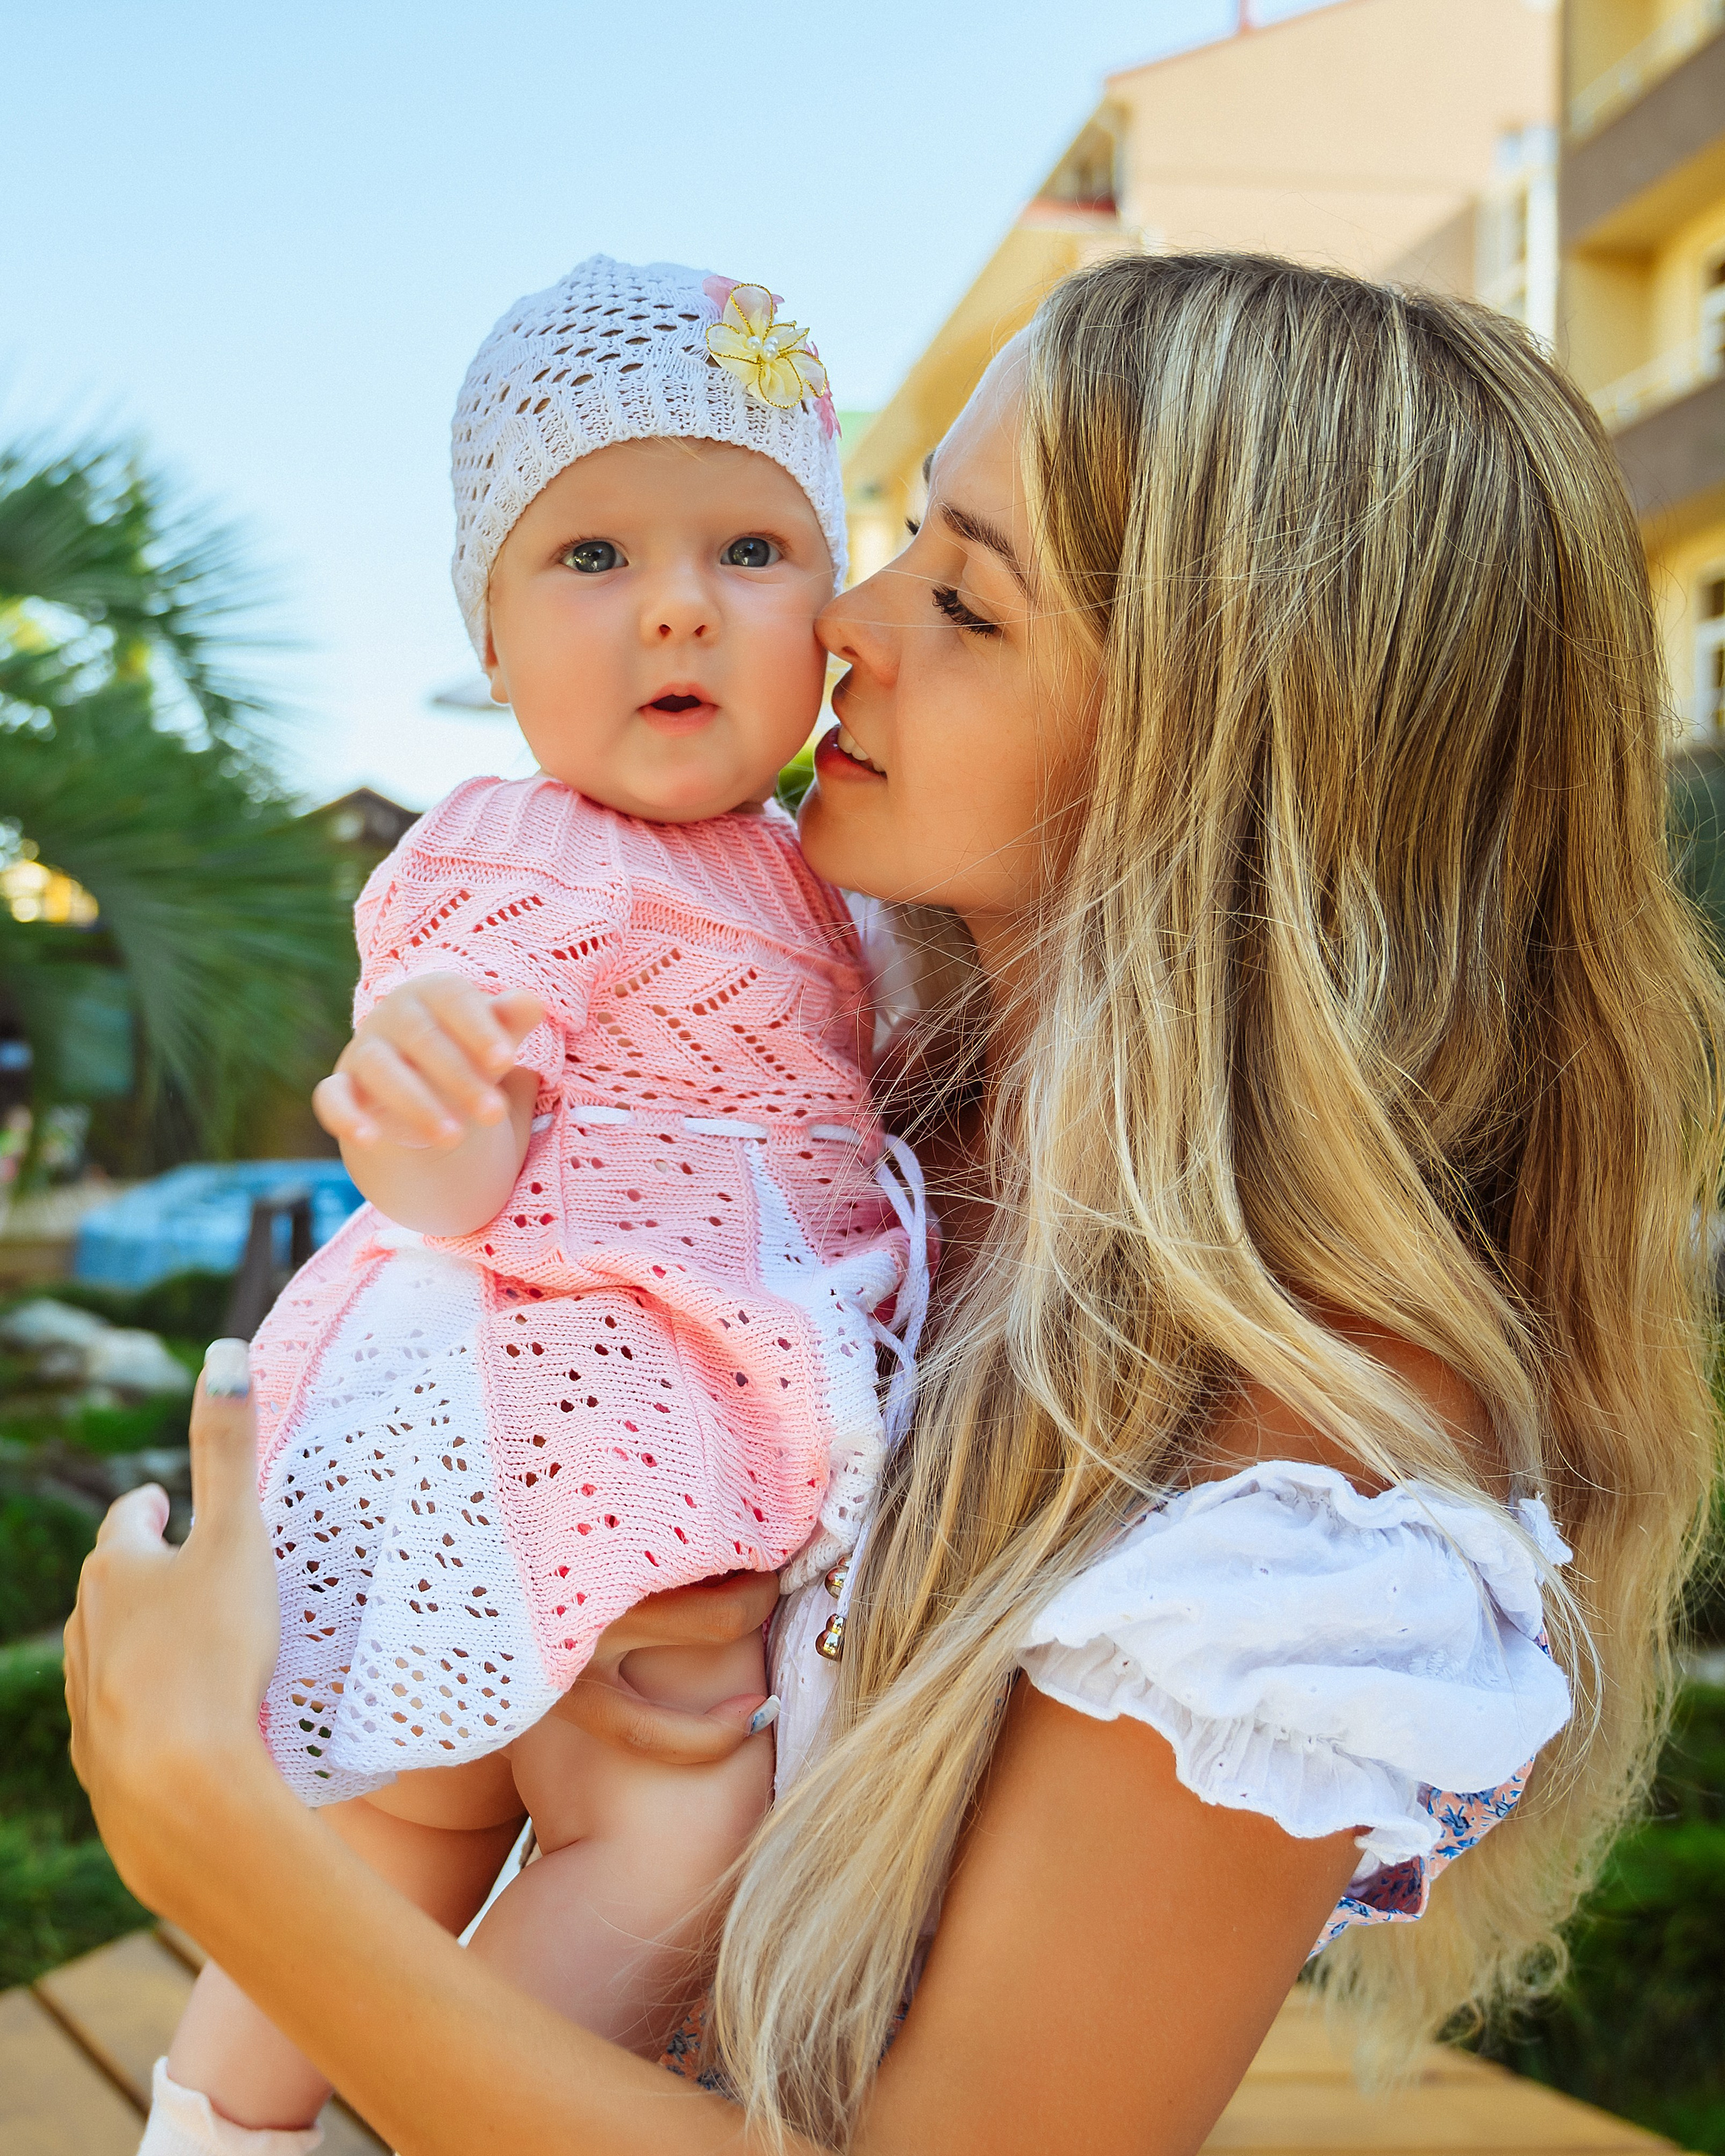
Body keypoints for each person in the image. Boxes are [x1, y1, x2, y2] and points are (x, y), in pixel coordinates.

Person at [67, 251, 1722, 2156]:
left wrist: (214, 1829)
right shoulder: (888, 1113)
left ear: (1209, 760)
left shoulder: (1302, 1523)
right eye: (894, 536)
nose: (845, 617)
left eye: (964, 596)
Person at [132, 254, 932, 2151]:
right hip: (551, 1447)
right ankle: (351, 2112)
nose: (676, 602)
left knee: (400, 1833)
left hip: (677, 1468)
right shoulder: (518, 851)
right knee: (642, 1839)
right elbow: (465, 1143)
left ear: (833, 610)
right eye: (590, 558)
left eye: (750, 548)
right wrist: (429, 1103)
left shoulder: (839, 890)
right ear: (487, 640)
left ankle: (227, 2123)